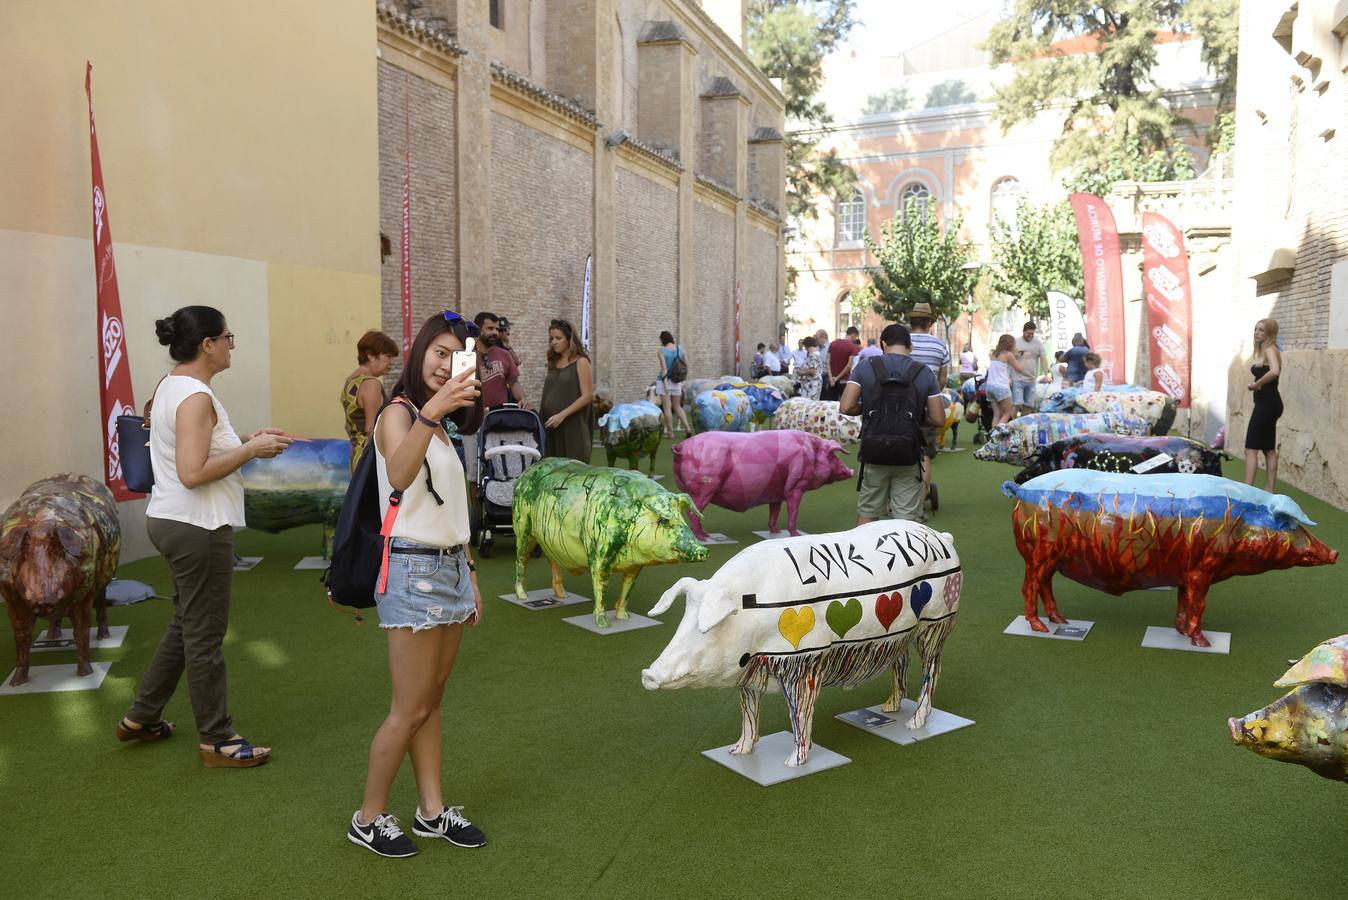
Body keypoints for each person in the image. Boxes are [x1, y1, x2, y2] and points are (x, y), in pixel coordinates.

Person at [117, 306, 294, 767]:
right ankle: (217, 740)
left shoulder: (171, 387)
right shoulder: (195, 396)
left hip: (175, 520)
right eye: (228, 338)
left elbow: (192, 457)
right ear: (208, 345)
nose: (232, 345)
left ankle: (142, 716)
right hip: (196, 525)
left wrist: (249, 445)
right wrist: (252, 450)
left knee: (186, 623)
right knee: (205, 634)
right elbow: (194, 473)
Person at [350, 309, 487, 859]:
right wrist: (432, 411)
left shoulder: (444, 426)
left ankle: (431, 811)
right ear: (419, 353)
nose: (445, 365)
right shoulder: (398, 413)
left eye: (457, 357)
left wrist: (472, 573)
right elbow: (401, 474)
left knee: (430, 701)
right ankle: (368, 816)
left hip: (451, 568)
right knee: (408, 708)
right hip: (412, 571)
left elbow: (453, 509)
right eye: (438, 352)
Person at [840, 323, 944, 524]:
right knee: (905, 519)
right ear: (910, 347)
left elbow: (845, 407)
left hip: (873, 449)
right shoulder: (924, 373)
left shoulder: (865, 367)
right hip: (908, 451)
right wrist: (917, 416)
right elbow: (938, 419)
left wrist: (866, 408)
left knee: (869, 512)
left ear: (883, 344)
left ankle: (865, 555)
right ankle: (902, 555)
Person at [343, 330, 399, 471]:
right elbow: (371, 428)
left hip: (356, 454)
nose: (391, 363)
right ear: (371, 356)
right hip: (370, 457)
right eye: (388, 356)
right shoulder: (371, 384)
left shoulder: (351, 382)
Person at [539, 319, 594, 461]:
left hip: (572, 426)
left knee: (573, 471)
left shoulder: (581, 362)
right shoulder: (553, 361)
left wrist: (562, 415)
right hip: (550, 426)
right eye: (552, 338)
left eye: (558, 338)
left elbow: (587, 396)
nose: (554, 342)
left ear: (570, 339)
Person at [1244, 318, 1283, 491]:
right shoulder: (1266, 349)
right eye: (1255, 329)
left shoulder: (1270, 348)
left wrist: (1256, 384)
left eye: (1261, 330)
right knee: (1268, 449)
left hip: (1267, 404)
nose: (1257, 333)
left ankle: (1247, 490)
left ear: (1269, 334)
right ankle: (1269, 491)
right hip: (1269, 403)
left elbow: (1275, 371)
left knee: (1251, 448)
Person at [987, 334, 1030, 428]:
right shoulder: (1008, 355)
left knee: (997, 414)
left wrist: (1017, 353)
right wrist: (1025, 358)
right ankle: (997, 436)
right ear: (1010, 344)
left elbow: (1007, 357)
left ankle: (992, 438)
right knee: (1007, 413)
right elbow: (1020, 369)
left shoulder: (993, 353)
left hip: (989, 386)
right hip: (1001, 387)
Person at [656, 330, 692, 438]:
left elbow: (664, 368)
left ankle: (670, 433)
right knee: (677, 406)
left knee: (667, 407)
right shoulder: (679, 348)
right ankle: (687, 428)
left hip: (664, 381)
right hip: (677, 381)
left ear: (662, 340)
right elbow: (686, 364)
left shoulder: (661, 350)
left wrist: (665, 384)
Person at [1011, 320, 1052, 414]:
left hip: (1031, 379)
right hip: (1017, 379)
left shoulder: (1037, 343)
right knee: (1017, 404)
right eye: (1028, 333)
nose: (1030, 335)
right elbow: (1010, 360)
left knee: (1028, 405)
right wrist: (1009, 376)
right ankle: (1010, 425)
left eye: (1032, 333)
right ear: (1023, 331)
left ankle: (1024, 426)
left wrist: (1046, 374)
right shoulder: (1016, 342)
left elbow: (1043, 359)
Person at [825, 326, 861, 401]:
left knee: (832, 404)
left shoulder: (833, 343)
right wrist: (837, 378)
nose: (855, 339)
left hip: (831, 380)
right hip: (844, 380)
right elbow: (849, 366)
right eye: (856, 337)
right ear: (853, 335)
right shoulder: (853, 347)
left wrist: (831, 377)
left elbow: (827, 361)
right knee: (843, 405)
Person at [796, 336, 823, 400]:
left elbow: (812, 371)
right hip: (815, 384)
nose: (805, 349)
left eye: (805, 347)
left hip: (811, 385)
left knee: (808, 405)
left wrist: (801, 372)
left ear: (807, 346)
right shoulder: (817, 354)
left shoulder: (812, 356)